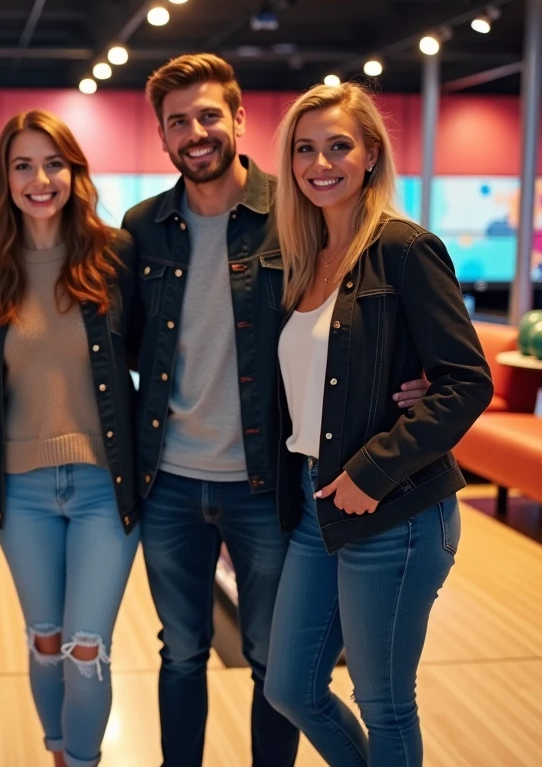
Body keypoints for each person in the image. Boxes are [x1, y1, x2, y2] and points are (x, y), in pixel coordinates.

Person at [121, 54, 430, 767]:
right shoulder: (143, 227)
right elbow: (129, 343)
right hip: (168, 480)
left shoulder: (293, 213)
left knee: (272, 661)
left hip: (266, 481)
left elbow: (354, 304)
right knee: (180, 651)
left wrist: (407, 371)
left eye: (208, 115)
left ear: (238, 118)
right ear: (162, 136)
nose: (195, 132)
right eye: (177, 122)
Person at [262, 82, 492, 767]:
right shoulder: (304, 256)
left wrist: (374, 470)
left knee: (384, 702)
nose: (320, 163)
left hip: (396, 509)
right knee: (290, 688)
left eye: (339, 146)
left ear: (370, 155)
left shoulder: (404, 249)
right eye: (305, 149)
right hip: (317, 502)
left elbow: (467, 381)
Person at [0, 109, 139, 767]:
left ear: (75, 172)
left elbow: (163, 351)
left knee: (85, 648)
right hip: (21, 491)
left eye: (54, 164)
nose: (40, 180)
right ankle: (57, 753)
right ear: (6, 178)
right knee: (46, 640)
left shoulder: (113, 255)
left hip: (105, 483)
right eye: (23, 166)